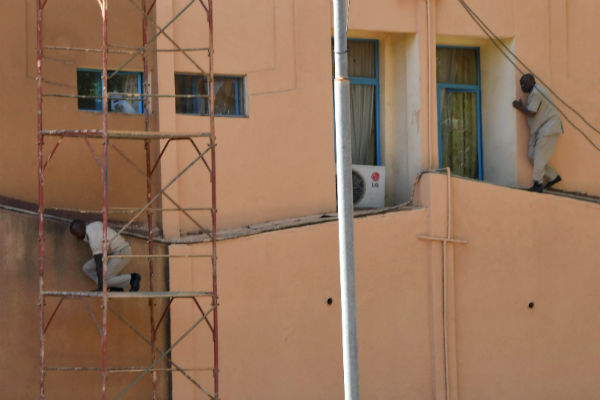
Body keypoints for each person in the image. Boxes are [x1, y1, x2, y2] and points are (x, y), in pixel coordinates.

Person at [512, 73, 563, 193]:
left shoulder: (536, 93)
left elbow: (531, 112)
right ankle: (553, 176)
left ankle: (537, 184)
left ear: (531, 82)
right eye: (521, 84)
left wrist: (520, 106)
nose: (522, 86)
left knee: (539, 157)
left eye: (524, 84)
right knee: (532, 156)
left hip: (549, 128)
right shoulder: (534, 92)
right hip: (540, 129)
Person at [70, 219, 141, 292]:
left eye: (77, 233)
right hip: (110, 254)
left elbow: (99, 264)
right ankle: (114, 285)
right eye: (74, 234)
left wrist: (101, 287)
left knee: (105, 280)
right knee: (87, 268)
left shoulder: (93, 236)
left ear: (82, 227)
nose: (76, 236)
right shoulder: (90, 228)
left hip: (122, 251)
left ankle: (132, 278)